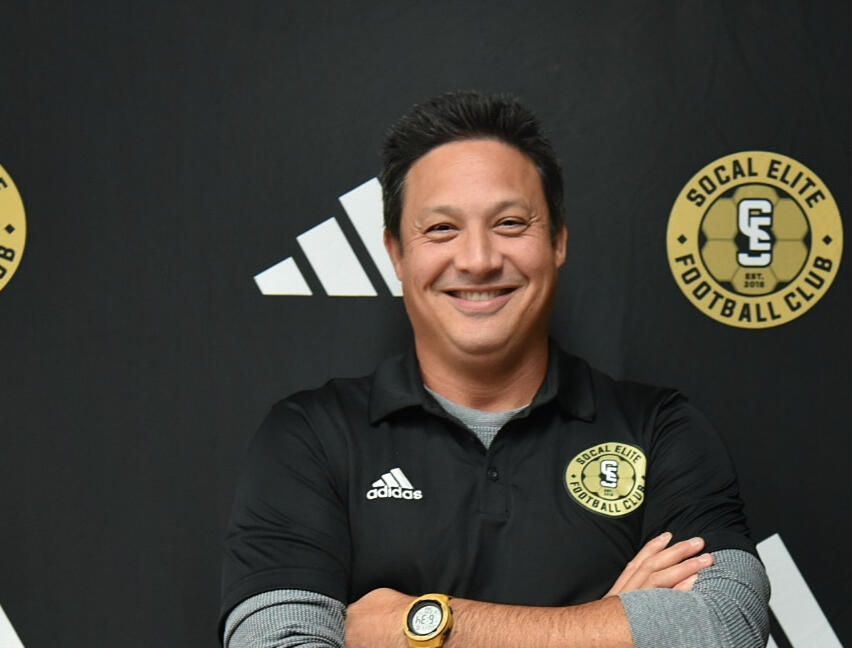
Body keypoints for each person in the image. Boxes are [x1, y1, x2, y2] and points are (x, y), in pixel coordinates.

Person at [220, 91, 770, 648]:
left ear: (557, 241)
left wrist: (420, 626)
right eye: (442, 229)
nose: (478, 260)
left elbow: (727, 629)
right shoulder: (310, 437)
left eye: (509, 223)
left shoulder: (661, 429)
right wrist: (612, 625)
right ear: (397, 253)